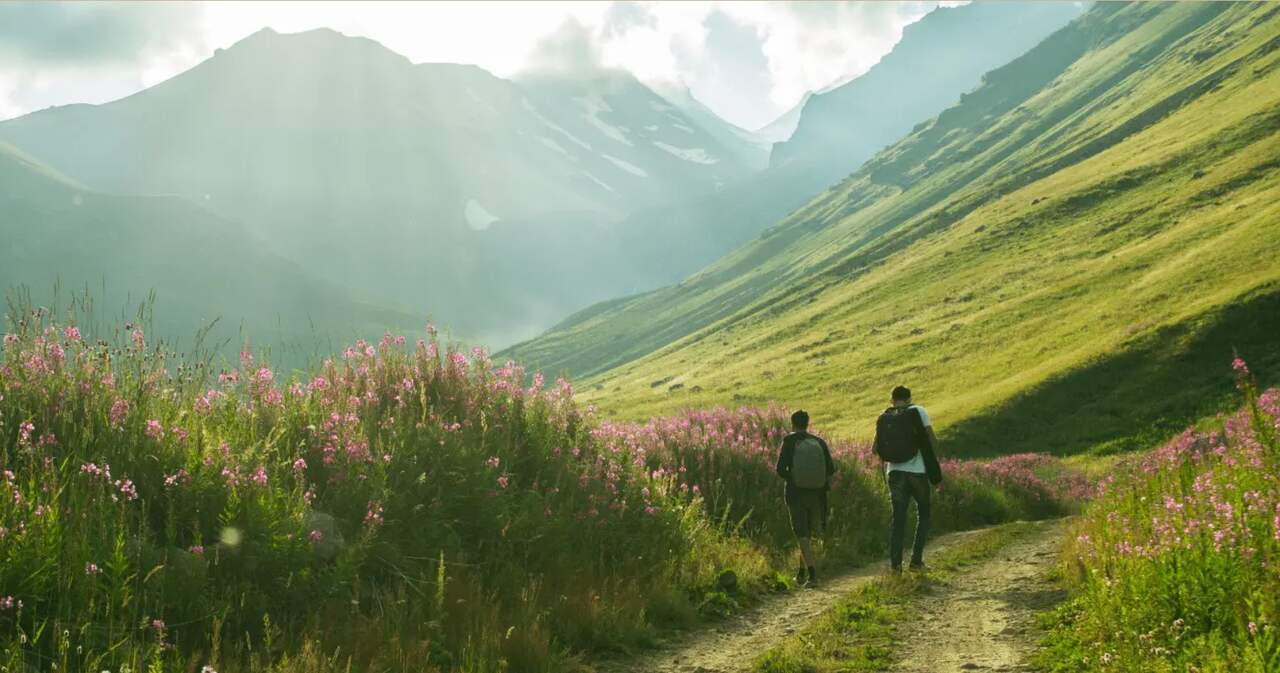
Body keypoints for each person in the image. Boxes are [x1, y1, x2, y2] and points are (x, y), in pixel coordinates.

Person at [873, 386, 939, 572]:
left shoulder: (886, 416)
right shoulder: (919, 411)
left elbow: (874, 449)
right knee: (924, 514)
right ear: (909, 398)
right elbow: (932, 440)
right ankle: (916, 562)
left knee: (898, 519)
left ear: (892, 400)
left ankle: (895, 566)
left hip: (894, 473)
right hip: (917, 471)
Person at [775, 410, 836, 586]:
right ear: (807, 423)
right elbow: (830, 470)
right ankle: (801, 573)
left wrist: (793, 477)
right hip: (816, 494)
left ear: (792, 424)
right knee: (807, 534)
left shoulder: (789, 441)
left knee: (801, 534)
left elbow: (780, 469)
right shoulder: (818, 442)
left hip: (795, 494)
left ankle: (812, 575)